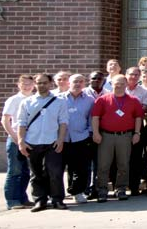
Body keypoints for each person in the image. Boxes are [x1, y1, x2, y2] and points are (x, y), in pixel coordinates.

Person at [17, 74, 69, 212]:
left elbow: (63, 122)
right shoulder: (27, 102)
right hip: (32, 142)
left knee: (55, 172)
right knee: (36, 173)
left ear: (50, 83)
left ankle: (57, 200)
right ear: (35, 84)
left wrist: (60, 140)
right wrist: (21, 141)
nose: (42, 85)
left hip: (52, 141)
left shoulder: (59, 101)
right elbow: (21, 123)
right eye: (39, 83)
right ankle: (40, 201)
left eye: (45, 83)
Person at [92, 75, 144, 202]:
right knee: (103, 164)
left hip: (125, 136)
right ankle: (102, 190)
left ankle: (121, 188)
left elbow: (138, 117)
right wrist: (96, 133)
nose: (119, 85)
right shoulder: (102, 99)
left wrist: (137, 133)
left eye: (122, 83)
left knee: (123, 163)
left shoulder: (133, 100)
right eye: (116, 83)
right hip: (106, 136)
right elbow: (95, 117)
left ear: (126, 85)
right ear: (111, 84)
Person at [59, 74, 94, 204]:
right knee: (58, 168)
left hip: (81, 137)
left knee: (80, 168)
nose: (78, 84)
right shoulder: (59, 98)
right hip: (61, 139)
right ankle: (57, 194)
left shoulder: (89, 100)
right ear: (69, 83)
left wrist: (90, 132)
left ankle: (77, 192)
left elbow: (91, 118)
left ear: (84, 84)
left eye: (81, 81)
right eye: (75, 81)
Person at [4, 75, 36, 209]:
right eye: (24, 84)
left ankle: (23, 198)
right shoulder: (14, 100)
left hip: (31, 139)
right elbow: (5, 121)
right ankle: (12, 201)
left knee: (25, 171)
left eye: (29, 84)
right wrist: (15, 138)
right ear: (18, 85)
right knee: (15, 171)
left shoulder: (35, 99)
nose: (27, 86)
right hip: (15, 139)